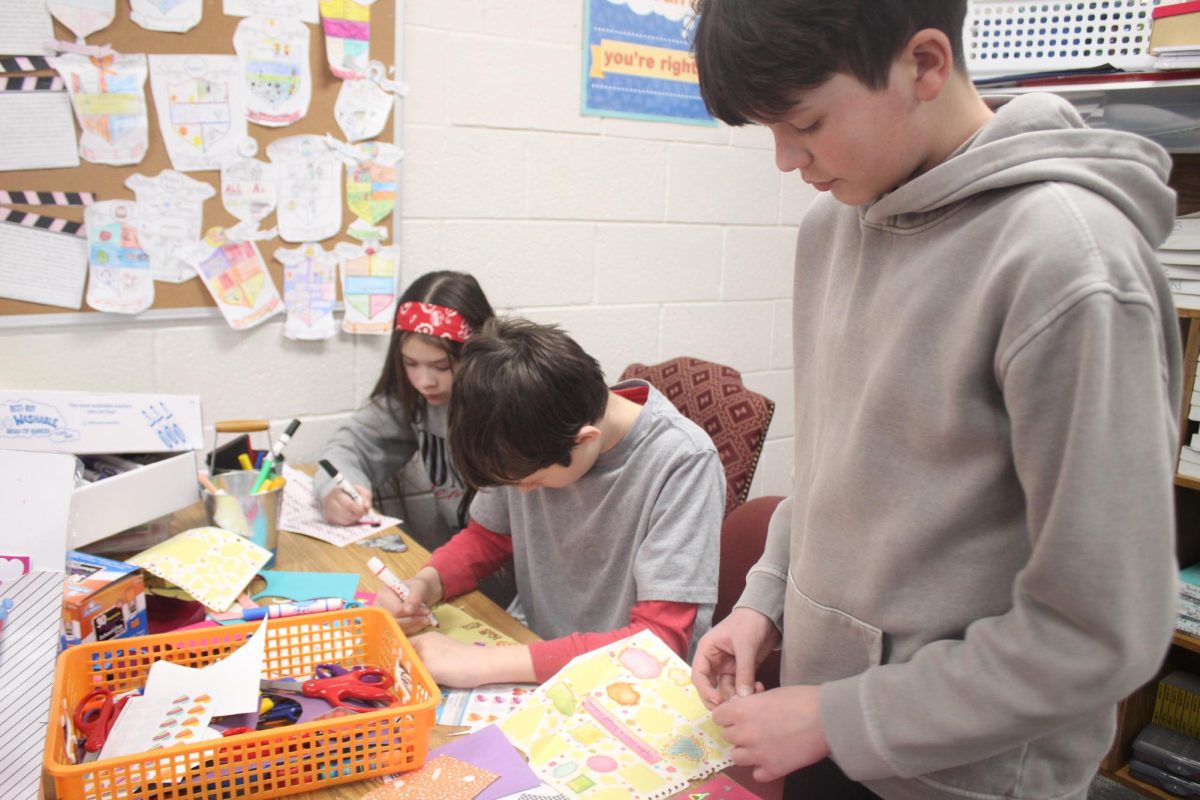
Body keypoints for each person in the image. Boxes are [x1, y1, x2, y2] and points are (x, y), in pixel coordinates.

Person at [687, 2, 1182, 799]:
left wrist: (845, 717)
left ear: (922, 64)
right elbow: (830, 465)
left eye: (805, 122)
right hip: (823, 722)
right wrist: (765, 601)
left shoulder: (1066, 261)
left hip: (969, 777)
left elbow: (1101, 630)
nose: (786, 160)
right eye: (767, 131)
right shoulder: (832, 225)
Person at [374, 318, 725, 687]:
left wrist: (483, 664)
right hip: (538, 650)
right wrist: (426, 584)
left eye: (533, 483)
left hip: (634, 679)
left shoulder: (684, 461)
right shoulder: (517, 422)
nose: (523, 494)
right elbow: (490, 536)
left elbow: (658, 640)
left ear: (583, 440)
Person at [314, 271, 515, 605]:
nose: (424, 381)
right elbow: (352, 444)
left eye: (440, 365)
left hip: (511, 575)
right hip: (456, 566)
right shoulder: (414, 400)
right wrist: (335, 489)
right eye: (411, 363)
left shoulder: (506, 408)